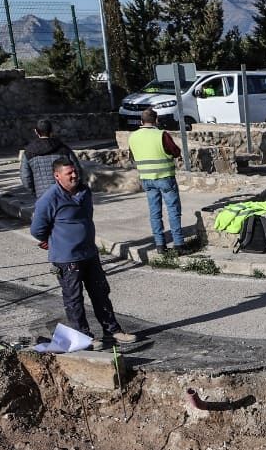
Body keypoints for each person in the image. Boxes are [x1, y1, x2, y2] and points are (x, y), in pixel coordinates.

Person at [29, 157, 136, 346]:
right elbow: (37, 229)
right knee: (74, 298)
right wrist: (53, 240)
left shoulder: (84, 191)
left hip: (89, 253)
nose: (74, 175)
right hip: (67, 258)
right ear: (57, 176)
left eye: (75, 171)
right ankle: (84, 337)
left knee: (100, 293)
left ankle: (113, 331)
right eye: (69, 173)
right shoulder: (49, 199)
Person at [126, 108, 185, 251]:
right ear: (156, 120)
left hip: (146, 179)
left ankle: (160, 244)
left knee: (154, 212)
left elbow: (132, 157)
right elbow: (175, 151)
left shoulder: (133, 137)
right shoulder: (161, 135)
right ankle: (178, 244)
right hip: (165, 178)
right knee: (173, 210)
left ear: (141, 121)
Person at [19, 118, 86, 198]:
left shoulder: (28, 152)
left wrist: (35, 191)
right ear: (52, 131)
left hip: (43, 196)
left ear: (36, 132)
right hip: (65, 194)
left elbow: (25, 177)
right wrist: (74, 188)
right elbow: (77, 170)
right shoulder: (63, 149)